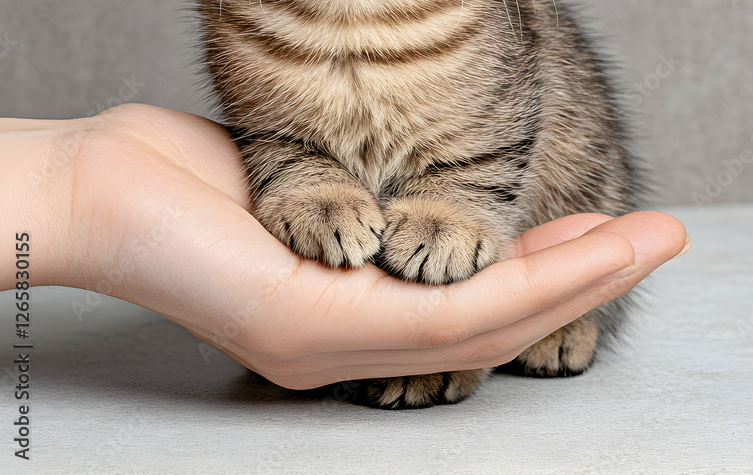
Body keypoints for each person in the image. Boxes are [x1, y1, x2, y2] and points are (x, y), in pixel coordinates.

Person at [2, 103, 688, 390]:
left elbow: (500, 132)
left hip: (528, 200)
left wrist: (86, 170)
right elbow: (275, 140)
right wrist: (82, 195)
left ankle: (541, 314)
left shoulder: (482, 5)